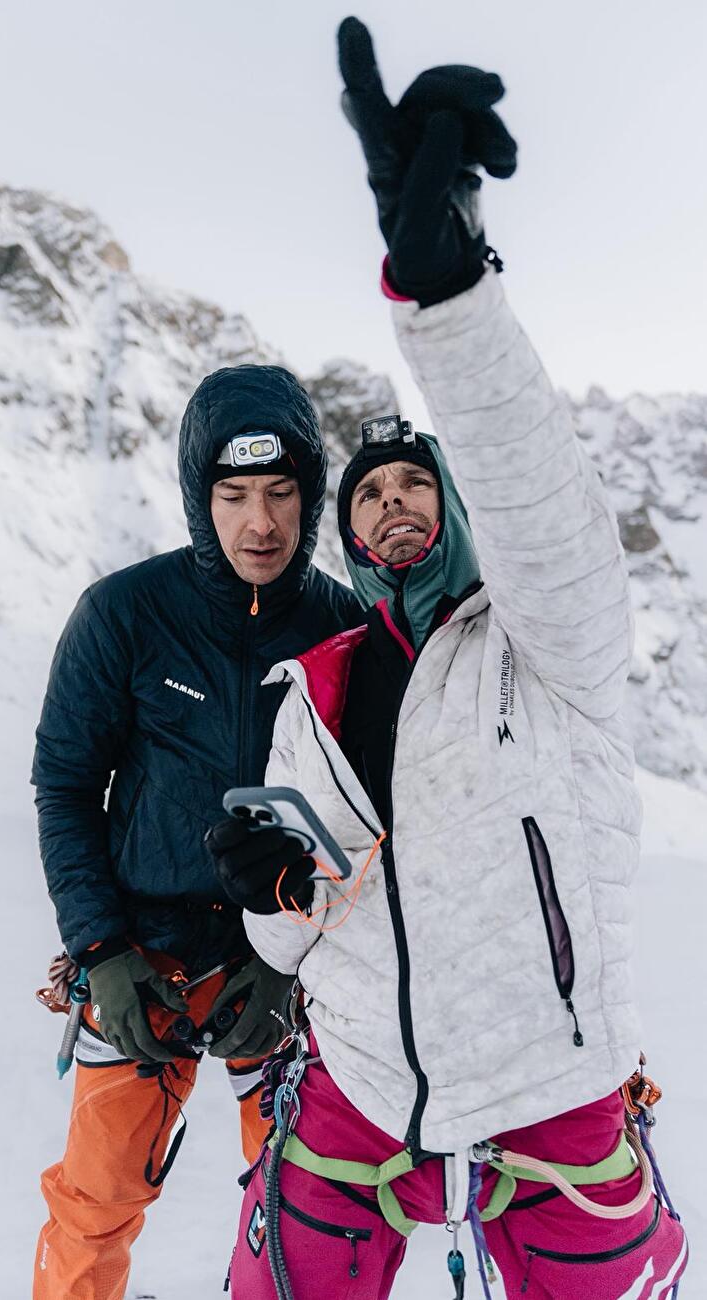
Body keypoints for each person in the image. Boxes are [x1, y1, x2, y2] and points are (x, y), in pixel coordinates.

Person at [208, 19, 688, 1299]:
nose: (392, 507)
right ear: (346, 535)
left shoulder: (548, 641)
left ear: (456, 513)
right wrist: (267, 888)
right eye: (369, 498)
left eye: (420, 486)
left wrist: (448, 294)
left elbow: (536, 494)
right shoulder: (312, 692)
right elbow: (297, 937)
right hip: (359, 1084)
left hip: (554, 1091)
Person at [31, 361, 361, 1300]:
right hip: (145, 956)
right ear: (198, 498)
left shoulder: (345, 629)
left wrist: (295, 957)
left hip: (290, 973)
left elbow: (373, 823)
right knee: (94, 1203)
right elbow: (64, 786)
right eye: (235, 494)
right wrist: (99, 950)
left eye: (281, 493)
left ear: (309, 496)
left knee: (307, 1217)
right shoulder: (125, 616)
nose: (260, 522)